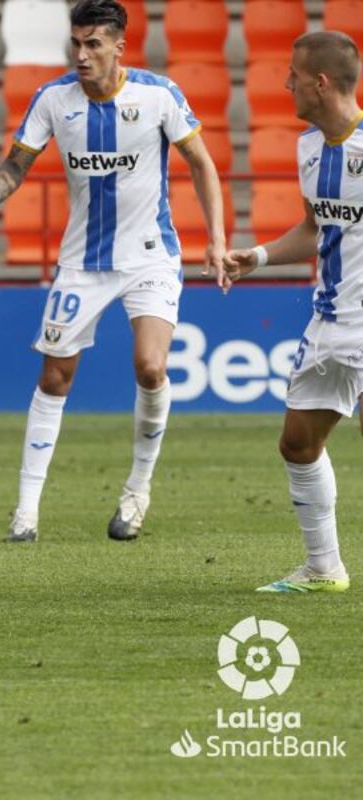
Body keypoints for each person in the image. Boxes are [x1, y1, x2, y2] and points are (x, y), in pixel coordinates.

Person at [0, 0, 228, 543]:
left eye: (93, 44)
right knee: (55, 376)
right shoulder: (54, 99)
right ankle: (26, 511)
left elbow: (201, 162)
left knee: (150, 367)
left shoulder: (158, 94)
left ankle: (137, 492)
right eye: (75, 43)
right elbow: (17, 163)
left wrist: (218, 240)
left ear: (118, 46)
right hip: (83, 262)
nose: (81, 55)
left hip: (151, 254)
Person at [223, 31, 362, 593]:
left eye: (294, 75)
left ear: (321, 83)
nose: (286, 84)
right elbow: (314, 228)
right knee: (298, 444)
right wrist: (257, 256)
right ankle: (324, 568)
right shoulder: (308, 147)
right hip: (330, 319)